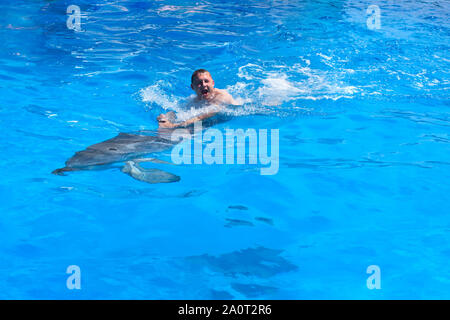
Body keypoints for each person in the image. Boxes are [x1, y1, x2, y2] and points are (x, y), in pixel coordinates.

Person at [157, 69, 237, 128]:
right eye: (199, 83)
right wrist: (166, 118)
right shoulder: (193, 100)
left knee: (190, 129)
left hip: (224, 120)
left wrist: (174, 126)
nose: (203, 85)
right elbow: (181, 113)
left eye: (206, 81)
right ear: (192, 87)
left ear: (212, 83)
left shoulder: (221, 96)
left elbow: (207, 114)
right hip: (206, 121)